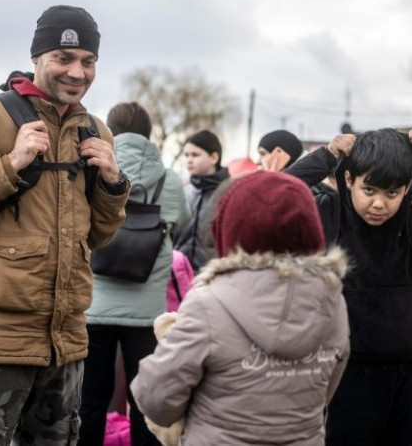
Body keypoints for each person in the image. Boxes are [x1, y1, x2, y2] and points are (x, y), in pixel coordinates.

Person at [0, 5, 131, 445]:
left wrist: (113, 183)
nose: (77, 72)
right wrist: (10, 163)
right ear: (37, 58)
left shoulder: (96, 131)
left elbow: (98, 237)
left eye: (88, 61)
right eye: (63, 58)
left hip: (65, 343)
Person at [286, 128, 412, 445]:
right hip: (342, 375)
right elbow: (273, 193)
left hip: (409, 373)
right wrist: (326, 156)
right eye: (369, 190)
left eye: (392, 193)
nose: (379, 204)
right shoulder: (327, 214)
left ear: (407, 187)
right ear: (350, 179)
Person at [131, 170, 350, 445]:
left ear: (231, 228)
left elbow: (155, 397)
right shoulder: (332, 300)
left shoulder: (208, 303)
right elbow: (327, 388)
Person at [80, 102, 189, 445]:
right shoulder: (170, 181)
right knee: (144, 400)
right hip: (147, 314)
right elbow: (182, 224)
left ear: (108, 131)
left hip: (94, 307)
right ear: (149, 134)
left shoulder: (91, 170)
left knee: (89, 401)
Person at [174, 130, 229, 271]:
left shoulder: (228, 194)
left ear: (214, 157)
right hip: (178, 276)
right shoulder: (183, 192)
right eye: (186, 155)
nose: (189, 160)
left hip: (212, 277)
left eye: (195, 155)